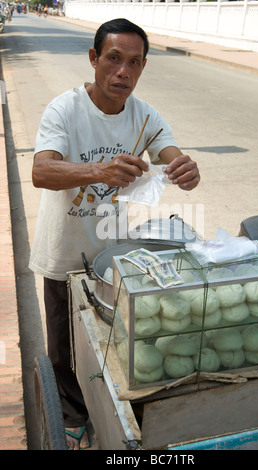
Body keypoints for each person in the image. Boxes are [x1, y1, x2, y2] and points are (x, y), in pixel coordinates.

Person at [29, 18, 200, 450]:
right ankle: (72, 417)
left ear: (142, 69)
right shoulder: (64, 110)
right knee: (64, 349)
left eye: (134, 63)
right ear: (93, 59)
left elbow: (171, 154)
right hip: (63, 251)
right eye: (113, 59)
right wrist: (99, 170)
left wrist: (185, 168)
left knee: (113, 340)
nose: (123, 72)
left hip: (113, 257)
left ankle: (111, 409)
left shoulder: (145, 116)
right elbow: (41, 170)